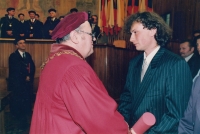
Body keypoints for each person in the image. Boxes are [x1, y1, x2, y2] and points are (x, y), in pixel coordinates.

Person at [30, 11, 129, 134]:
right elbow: (100, 119)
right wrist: (124, 129)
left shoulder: (55, 60)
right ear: (75, 36)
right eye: (90, 34)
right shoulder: (74, 67)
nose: (93, 38)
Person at [118, 11, 193, 133]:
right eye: (130, 33)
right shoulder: (134, 63)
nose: (131, 39)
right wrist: (124, 125)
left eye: (135, 32)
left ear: (153, 30)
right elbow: (126, 99)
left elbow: (176, 115)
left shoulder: (175, 64)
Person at [8, 37, 35, 129]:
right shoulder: (13, 56)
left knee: (27, 105)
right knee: (18, 106)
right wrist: (25, 76)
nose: (23, 44)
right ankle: (18, 125)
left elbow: (32, 67)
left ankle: (26, 124)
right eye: (20, 43)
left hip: (27, 84)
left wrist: (29, 76)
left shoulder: (28, 55)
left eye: (24, 43)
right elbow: (15, 70)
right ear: (16, 45)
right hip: (18, 84)